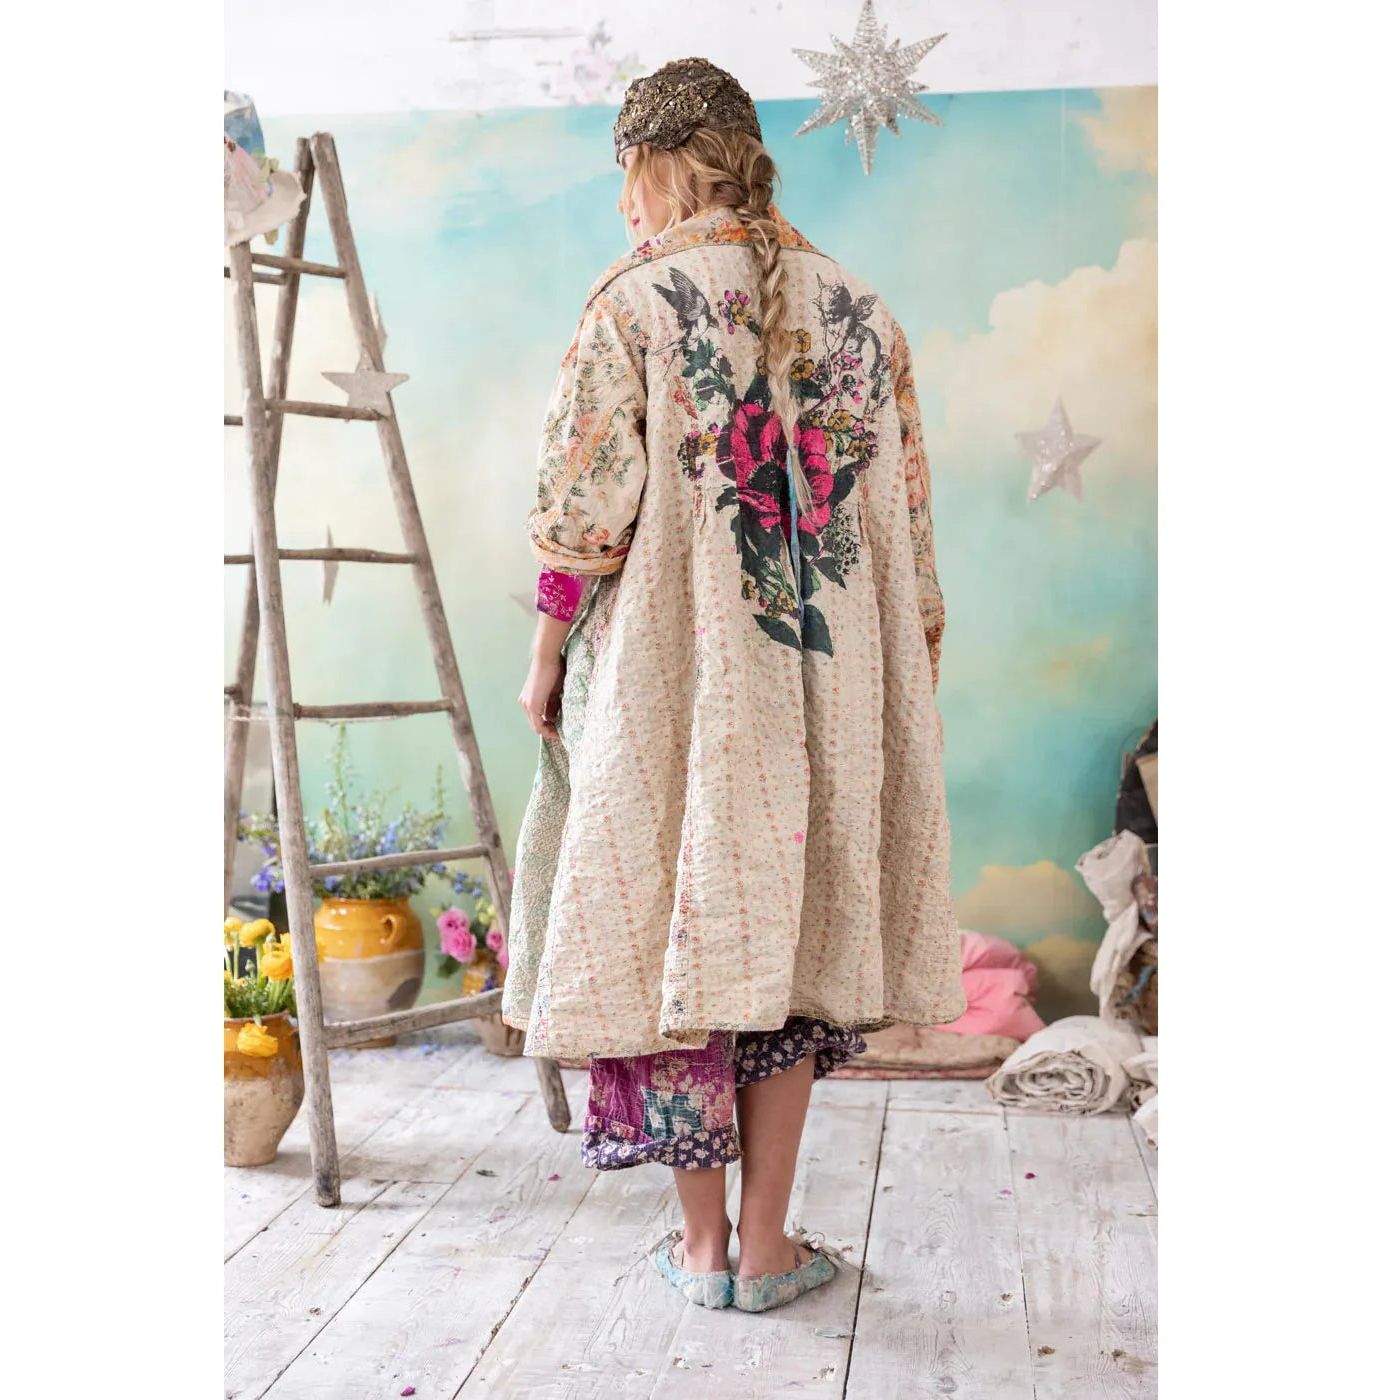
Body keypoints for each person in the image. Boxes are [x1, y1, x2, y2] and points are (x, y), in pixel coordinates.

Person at [503, 58, 965, 1313]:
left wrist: (544, 655)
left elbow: (583, 510)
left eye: (627, 177)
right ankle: (765, 1249)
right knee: (785, 950)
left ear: (664, 164)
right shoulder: (862, 309)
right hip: (823, 693)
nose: (622, 207)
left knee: (678, 927)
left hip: (676, 688)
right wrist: (905, 672)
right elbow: (908, 533)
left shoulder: (634, 300)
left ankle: (702, 1247)